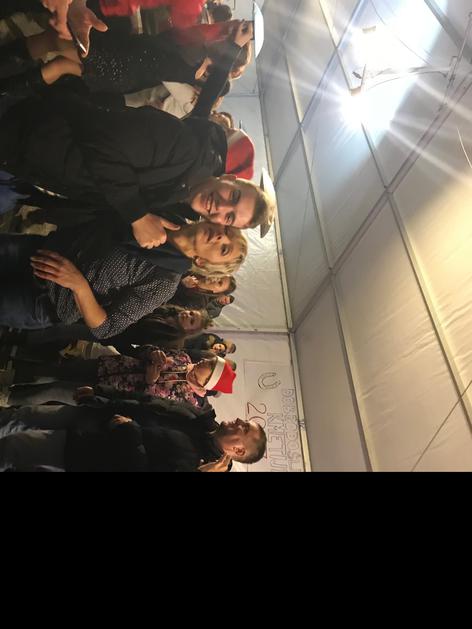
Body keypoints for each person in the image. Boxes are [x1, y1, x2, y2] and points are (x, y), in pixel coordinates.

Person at [0, 220, 247, 339]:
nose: (220, 237)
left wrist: (78, 283)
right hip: (41, 250)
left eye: (224, 249)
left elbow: (106, 328)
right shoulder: (167, 214)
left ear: (202, 262)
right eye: (227, 231)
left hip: (43, 300)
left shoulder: (164, 282)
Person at [0, 399, 267, 472]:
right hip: (95, 415)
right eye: (244, 421)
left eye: (244, 429)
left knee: (13, 448)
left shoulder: (197, 464)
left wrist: (129, 431)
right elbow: (147, 403)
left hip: (87, 451)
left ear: (239, 451)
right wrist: (103, 396)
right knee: (22, 415)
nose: (238, 421)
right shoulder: (199, 419)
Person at [9, 348, 236, 407]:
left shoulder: (188, 401)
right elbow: (144, 351)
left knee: (53, 391)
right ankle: (10, 374)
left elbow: (149, 407)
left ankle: (7, 397)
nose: (204, 360)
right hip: (108, 366)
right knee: (57, 370)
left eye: (209, 365)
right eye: (209, 360)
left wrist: (150, 382)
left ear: (209, 382)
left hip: (108, 393)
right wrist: (152, 353)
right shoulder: (184, 358)